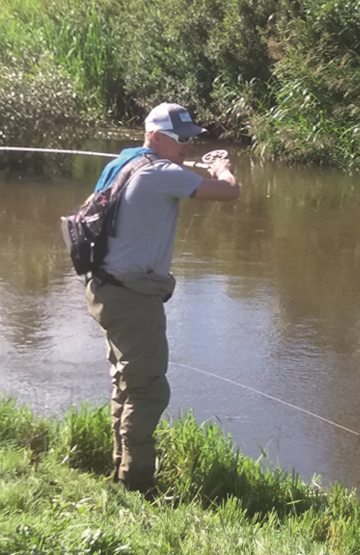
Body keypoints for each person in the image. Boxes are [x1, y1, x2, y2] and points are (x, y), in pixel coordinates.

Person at [85, 102, 239, 497]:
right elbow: (229, 193)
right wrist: (221, 167)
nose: (187, 145)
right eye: (180, 138)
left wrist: (189, 168)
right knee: (148, 390)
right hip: (133, 298)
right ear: (154, 136)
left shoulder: (124, 163)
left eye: (190, 138)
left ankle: (119, 472)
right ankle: (136, 489)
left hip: (106, 290)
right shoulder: (158, 173)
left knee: (126, 384)